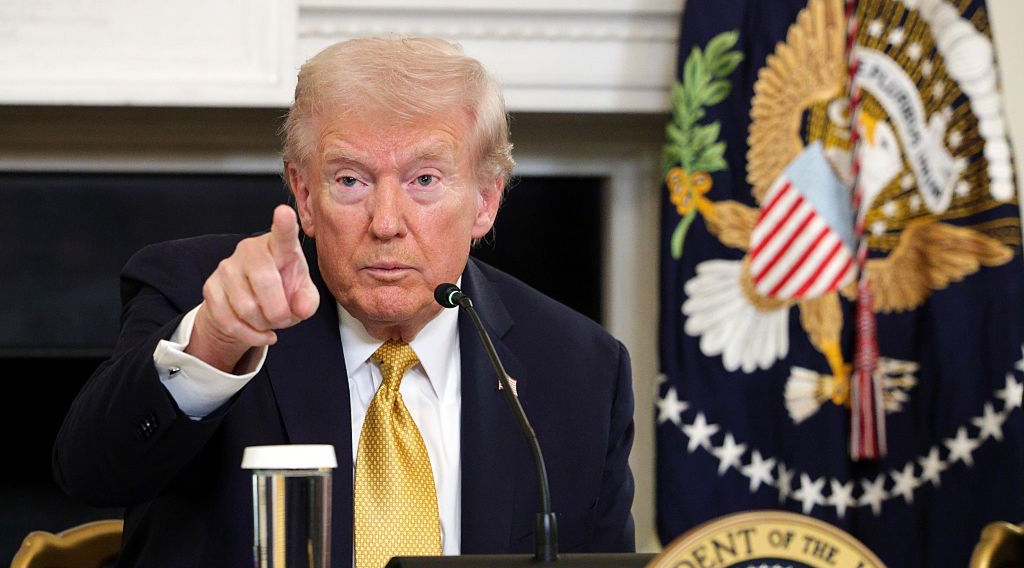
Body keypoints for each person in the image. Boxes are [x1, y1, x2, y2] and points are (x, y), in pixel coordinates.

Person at [53, 37, 636, 567]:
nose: (386, 224)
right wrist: (214, 343)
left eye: (425, 180)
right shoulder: (203, 295)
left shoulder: (579, 367)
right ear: (304, 196)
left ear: (486, 201)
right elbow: (89, 475)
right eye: (351, 181)